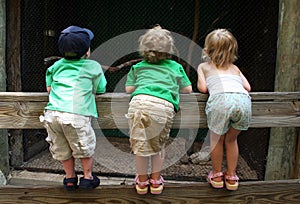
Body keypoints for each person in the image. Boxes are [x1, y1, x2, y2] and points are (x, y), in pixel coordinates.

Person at [125, 25, 192, 195]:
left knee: (141, 146)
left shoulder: (137, 67)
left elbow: (129, 89)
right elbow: (188, 89)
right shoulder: (175, 67)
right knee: (158, 145)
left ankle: (141, 182)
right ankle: (155, 182)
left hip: (139, 104)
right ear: (169, 50)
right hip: (162, 106)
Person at [40, 25, 107, 191]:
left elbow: (49, 89)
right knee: (83, 146)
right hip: (76, 115)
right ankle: (87, 177)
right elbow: (100, 89)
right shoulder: (93, 67)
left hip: (53, 114)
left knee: (62, 148)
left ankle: (70, 178)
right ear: (87, 51)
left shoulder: (55, 66)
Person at [197, 29, 251, 191]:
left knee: (217, 140)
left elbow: (203, 88)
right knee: (231, 140)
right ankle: (232, 176)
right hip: (242, 103)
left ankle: (217, 174)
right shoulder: (235, 69)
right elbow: (247, 87)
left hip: (221, 102)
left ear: (207, 50)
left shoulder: (204, 67)